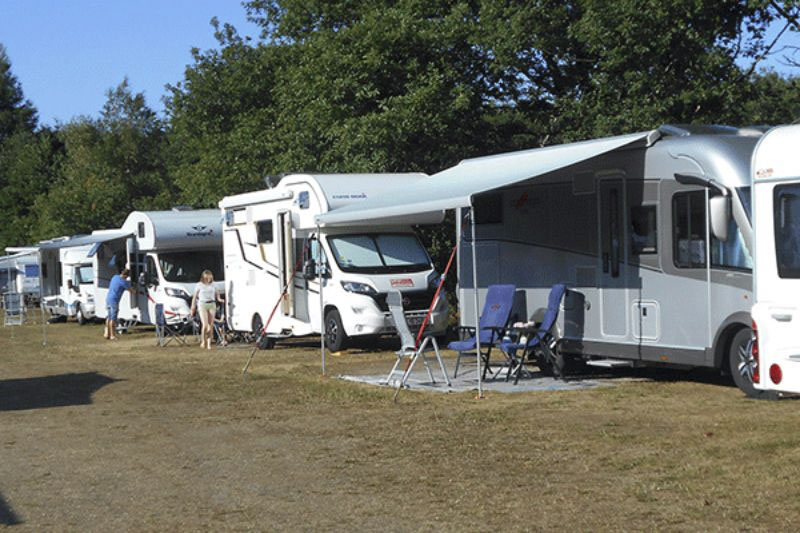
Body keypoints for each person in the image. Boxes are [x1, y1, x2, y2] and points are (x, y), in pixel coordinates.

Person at [191, 269, 222, 350]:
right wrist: (193, 307)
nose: (209, 280)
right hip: (202, 304)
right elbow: (194, 297)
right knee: (205, 325)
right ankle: (203, 340)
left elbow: (218, 296)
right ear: (204, 278)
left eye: (210, 278)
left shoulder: (214, 285)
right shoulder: (199, 285)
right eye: (207, 278)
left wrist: (221, 300)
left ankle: (209, 343)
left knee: (210, 325)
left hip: (212, 304)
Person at [105, 268, 134, 340]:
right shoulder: (123, 282)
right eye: (126, 277)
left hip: (108, 298)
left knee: (109, 317)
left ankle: (106, 333)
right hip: (114, 300)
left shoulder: (115, 277)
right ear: (125, 276)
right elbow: (132, 291)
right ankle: (112, 335)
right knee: (113, 318)